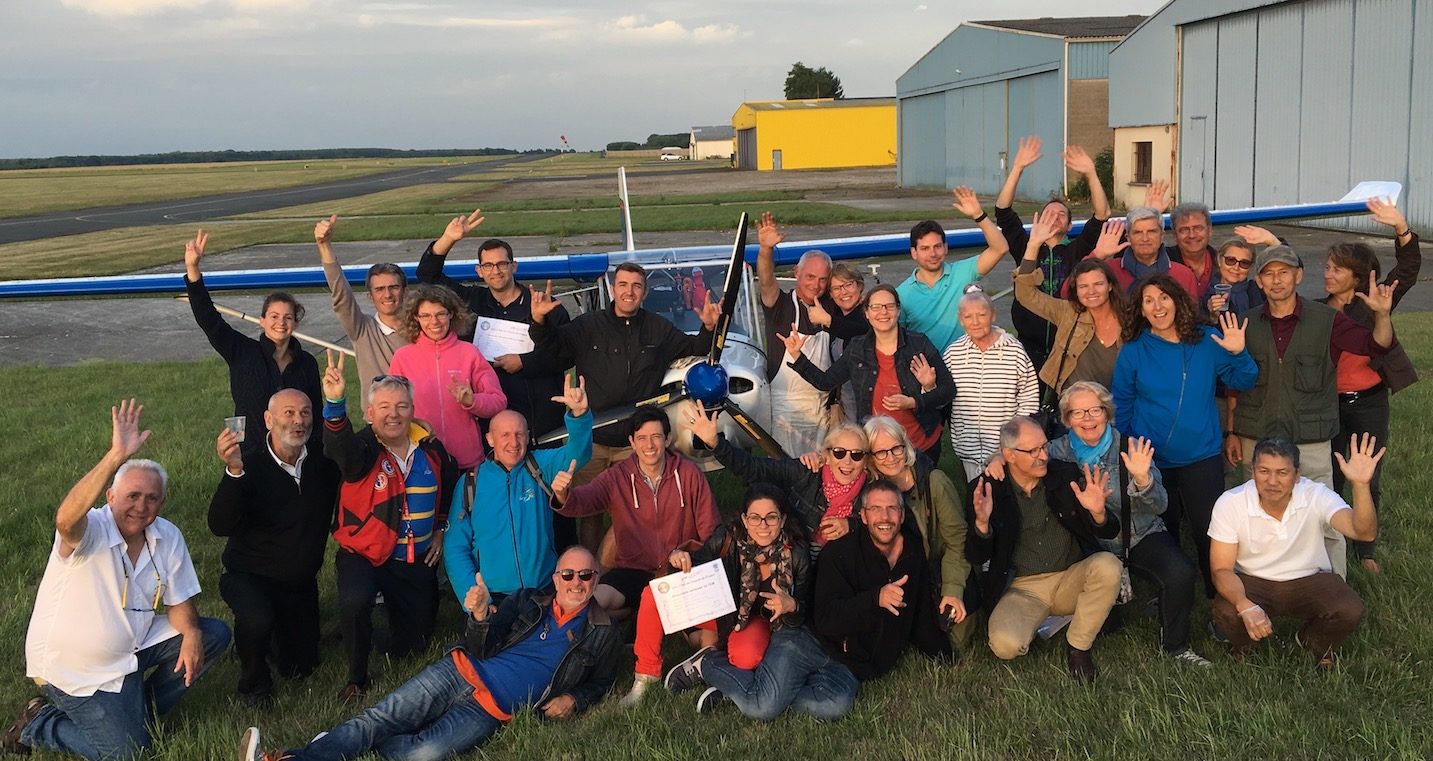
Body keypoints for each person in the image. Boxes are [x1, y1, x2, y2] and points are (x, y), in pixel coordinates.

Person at [239, 546, 621, 761]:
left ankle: (338, 745)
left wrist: (574, 696)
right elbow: (480, 645)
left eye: (585, 576)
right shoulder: (526, 601)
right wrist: (478, 616)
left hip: (492, 708)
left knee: (420, 755)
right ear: (555, 579)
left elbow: (602, 682)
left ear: (595, 580)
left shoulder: (603, 633)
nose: (576, 583)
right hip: (458, 671)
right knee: (378, 718)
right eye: (568, 575)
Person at [7, 401, 230, 761]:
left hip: (131, 645)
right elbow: (65, 520)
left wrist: (190, 635)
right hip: (76, 669)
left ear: (162, 502)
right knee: (130, 755)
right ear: (110, 497)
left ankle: (136, 715)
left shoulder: (166, 536)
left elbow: (180, 602)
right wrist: (115, 456)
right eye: (131, 496)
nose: (141, 506)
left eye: (151, 498)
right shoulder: (92, 529)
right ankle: (39, 721)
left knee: (212, 635)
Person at [986, 382, 1209, 666]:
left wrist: (1143, 480)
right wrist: (996, 458)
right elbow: (1021, 454)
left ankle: (1176, 646)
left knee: (1180, 572)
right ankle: (1069, 615)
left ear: (1108, 413)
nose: (1088, 419)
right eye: (1078, 413)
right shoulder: (1054, 451)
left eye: (1095, 410)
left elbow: (1161, 506)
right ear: (1066, 419)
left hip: (1136, 535)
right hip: (1091, 544)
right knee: (1109, 625)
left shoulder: (1131, 449)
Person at [1225, 245, 1396, 577]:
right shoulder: (1244, 323)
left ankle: (1335, 586)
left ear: (1299, 276)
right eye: (1269, 274)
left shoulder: (1328, 320)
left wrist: (1383, 314)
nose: (1276, 281)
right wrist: (1232, 430)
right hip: (1256, 434)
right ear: (1258, 281)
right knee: (1254, 511)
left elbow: (1377, 345)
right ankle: (1260, 582)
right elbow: (1234, 382)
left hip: (1311, 438)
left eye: (1284, 272)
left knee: (1325, 514)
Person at [651, 484, 859, 718]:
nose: (762, 525)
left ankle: (730, 688)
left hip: (782, 627)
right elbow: (696, 564)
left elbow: (804, 611)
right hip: (738, 617)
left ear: (782, 520)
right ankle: (709, 662)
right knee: (746, 656)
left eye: (771, 518)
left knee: (771, 664)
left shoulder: (796, 552)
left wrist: (792, 605)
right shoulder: (728, 538)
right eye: (755, 518)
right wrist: (677, 557)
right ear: (744, 519)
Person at [320, 355, 460, 703]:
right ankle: (357, 677)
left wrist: (441, 529)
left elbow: (450, 483)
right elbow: (341, 451)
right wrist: (335, 404)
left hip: (411, 558)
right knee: (356, 598)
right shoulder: (364, 448)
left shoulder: (431, 449)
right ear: (369, 414)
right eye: (383, 407)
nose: (393, 413)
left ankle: (358, 629)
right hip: (363, 553)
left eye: (401, 406)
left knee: (413, 647)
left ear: (412, 409)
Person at [1113, 275, 1256, 598]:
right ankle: (1170, 593)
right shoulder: (1134, 350)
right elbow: (1121, 402)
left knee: (1210, 530)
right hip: (1151, 460)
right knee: (1164, 530)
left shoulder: (1206, 340)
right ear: (1141, 310)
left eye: (1164, 297)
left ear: (1178, 300)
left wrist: (1238, 353)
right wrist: (1127, 448)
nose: (1157, 306)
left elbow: (1245, 380)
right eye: (1148, 300)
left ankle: (1217, 593)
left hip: (1200, 456)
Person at [209, 389, 341, 707]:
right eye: (289, 413)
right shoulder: (249, 465)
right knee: (257, 620)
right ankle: (253, 684)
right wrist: (234, 472)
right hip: (249, 575)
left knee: (301, 667)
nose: (298, 421)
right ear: (269, 420)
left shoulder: (323, 462)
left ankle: (262, 640)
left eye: (306, 413)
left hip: (298, 582)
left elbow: (357, 454)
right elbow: (219, 525)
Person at [529, 262, 717, 483]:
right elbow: (554, 343)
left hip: (635, 442)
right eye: (623, 285)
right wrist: (539, 321)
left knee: (634, 511)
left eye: (637, 286)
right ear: (612, 289)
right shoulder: (588, 325)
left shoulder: (659, 328)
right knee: (588, 510)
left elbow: (694, 349)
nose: (629, 292)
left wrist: (709, 328)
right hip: (592, 440)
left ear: (645, 292)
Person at [967, 416, 1122, 681]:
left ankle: (1078, 647)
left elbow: (1108, 531)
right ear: (1009, 456)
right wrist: (982, 525)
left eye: (1044, 446)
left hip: (1070, 577)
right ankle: (1046, 622)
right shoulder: (987, 490)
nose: (1043, 456)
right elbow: (976, 555)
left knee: (1109, 565)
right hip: (1023, 589)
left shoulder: (1064, 475)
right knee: (1005, 645)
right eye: (1033, 450)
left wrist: (1098, 514)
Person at [1208, 436, 1383, 667]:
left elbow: (1364, 533)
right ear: (1252, 472)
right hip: (1253, 580)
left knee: (1350, 609)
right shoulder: (1230, 503)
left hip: (1309, 578)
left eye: (1282, 472)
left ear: (1297, 475)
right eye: (1263, 471)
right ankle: (1247, 646)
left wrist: (1360, 486)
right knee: (1226, 610)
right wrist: (1244, 604)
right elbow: (1220, 569)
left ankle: (1310, 642)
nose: (1272, 481)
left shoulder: (1315, 495)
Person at [1317, 198, 1420, 574]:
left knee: (1366, 472)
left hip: (1369, 404)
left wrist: (1401, 228)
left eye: (1335, 269)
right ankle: (1330, 537)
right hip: (1328, 404)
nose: (1327, 274)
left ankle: (1366, 547)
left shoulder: (1375, 302)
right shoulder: (1315, 308)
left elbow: (1408, 269)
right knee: (1329, 474)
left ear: (1357, 276)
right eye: (1326, 267)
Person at [415, 209, 574, 443]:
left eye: (501, 264)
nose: (495, 271)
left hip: (541, 419)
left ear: (514, 266)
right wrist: (447, 239)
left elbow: (567, 354)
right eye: (488, 266)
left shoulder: (543, 305)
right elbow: (427, 276)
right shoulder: (470, 301)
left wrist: (524, 362)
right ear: (479, 271)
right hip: (486, 420)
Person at [552, 406, 720, 617]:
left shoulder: (688, 474)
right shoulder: (617, 477)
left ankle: (637, 614)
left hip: (679, 570)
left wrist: (694, 557)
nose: (648, 445)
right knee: (593, 604)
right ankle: (627, 615)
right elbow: (584, 500)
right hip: (633, 570)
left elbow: (711, 529)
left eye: (656, 437)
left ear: (667, 439)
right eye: (641, 438)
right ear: (632, 442)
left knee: (702, 639)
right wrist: (562, 494)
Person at [445, 374, 594, 605]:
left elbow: (577, 455)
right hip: (494, 596)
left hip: (543, 591)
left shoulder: (539, 465)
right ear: (490, 439)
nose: (513, 443)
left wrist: (579, 416)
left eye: (519, 435)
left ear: (527, 436)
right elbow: (455, 548)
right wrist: (473, 597)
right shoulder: (470, 483)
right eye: (504, 435)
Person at [782, 284, 955, 465]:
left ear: (898, 310)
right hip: (877, 448)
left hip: (920, 444)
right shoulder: (857, 348)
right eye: (876, 307)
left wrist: (913, 401)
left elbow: (948, 390)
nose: (883, 312)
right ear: (867, 313)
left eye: (889, 306)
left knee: (923, 491)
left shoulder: (919, 344)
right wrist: (797, 356)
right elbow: (825, 382)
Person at [183, 228, 321, 453]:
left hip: (296, 456)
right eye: (274, 317)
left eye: (288, 317)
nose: (281, 323)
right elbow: (209, 320)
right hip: (250, 454)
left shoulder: (307, 363)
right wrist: (193, 270)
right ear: (262, 321)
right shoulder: (242, 352)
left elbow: (315, 417)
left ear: (295, 323)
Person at [813, 480, 954, 681]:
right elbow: (826, 620)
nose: (885, 518)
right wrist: (875, 599)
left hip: (875, 663)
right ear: (863, 515)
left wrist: (945, 657)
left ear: (902, 515)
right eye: (875, 509)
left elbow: (920, 612)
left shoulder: (913, 551)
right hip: (835, 655)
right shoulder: (838, 554)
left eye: (892, 509)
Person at [992, 136, 1110, 374]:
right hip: (1029, 344)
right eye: (1049, 213)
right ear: (1038, 219)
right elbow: (1002, 210)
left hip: (1070, 342)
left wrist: (1091, 174)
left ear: (1069, 226)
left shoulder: (1078, 248)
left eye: (1061, 215)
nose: (1055, 217)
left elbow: (1102, 213)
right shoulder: (1026, 244)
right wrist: (1018, 168)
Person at [691, 406, 867, 552]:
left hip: (837, 572)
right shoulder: (806, 472)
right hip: (796, 563)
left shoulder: (870, 491)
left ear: (866, 460)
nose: (847, 462)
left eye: (857, 455)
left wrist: (850, 524)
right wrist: (715, 443)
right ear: (827, 454)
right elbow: (755, 468)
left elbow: (884, 524)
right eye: (839, 452)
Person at [862, 415, 972, 649]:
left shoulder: (935, 482)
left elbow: (957, 541)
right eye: (881, 452)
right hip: (899, 578)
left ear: (906, 445)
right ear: (870, 457)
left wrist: (952, 589)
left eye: (896, 448)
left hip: (938, 570)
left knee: (952, 641)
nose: (891, 458)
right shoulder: (870, 493)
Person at [387, 283, 508, 471]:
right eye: (426, 316)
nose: (434, 322)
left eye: (440, 314)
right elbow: (391, 408)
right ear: (416, 318)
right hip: (420, 460)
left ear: (451, 314)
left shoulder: (470, 353)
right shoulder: (402, 358)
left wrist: (473, 401)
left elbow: (498, 401)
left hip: (466, 460)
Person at [1014, 211, 1129, 393]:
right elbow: (1026, 294)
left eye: (1098, 284)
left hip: (1118, 407)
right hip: (1071, 410)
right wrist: (1033, 245)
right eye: (1083, 286)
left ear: (1110, 286)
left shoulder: (1130, 318)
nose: (1091, 291)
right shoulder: (1068, 312)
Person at [755, 211, 837, 456]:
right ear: (795, 273)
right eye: (810, 276)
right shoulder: (779, 305)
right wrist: (766, 250)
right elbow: (766, 279)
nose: (816, 285)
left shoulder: (832, 307)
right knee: (786, 475)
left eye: (823, 279)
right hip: (785, 410)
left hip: (823, 409)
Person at [897, 187, 1010, 351]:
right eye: (925, 248)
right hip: (928, 373)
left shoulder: (964, 272)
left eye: (937, 246)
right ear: (914, 253)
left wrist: (979, 215)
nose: (933, 253)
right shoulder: (902, 294)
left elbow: (1000, 248)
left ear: (946, 247)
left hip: (966, 369)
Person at [942, 289, 1039, 480]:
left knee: (1006, 504)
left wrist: (1013, 444)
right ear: (961, 319)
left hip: (1006, 452)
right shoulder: (953, 354)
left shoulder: (1014, 351)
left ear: (993, 315)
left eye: (982, 315)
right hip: (967, 451)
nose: (975, 322)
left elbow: (1029, 399)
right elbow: (943, 396)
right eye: (968, 316)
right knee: (976, 503)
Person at [313, 214, 409, 405]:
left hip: (420, 421)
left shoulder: (423, 328)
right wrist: (324, 246)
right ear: (370, 297)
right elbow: (341, 293)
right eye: (379, 289)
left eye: (394, 287)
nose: (387, 295)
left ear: (405, 292)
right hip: (378, 425)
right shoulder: (362, 329)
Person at [1087, 204, 1199, 296]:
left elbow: (1191, 318)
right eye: (1138, 232)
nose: (1145, 238)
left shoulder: (1184, 275)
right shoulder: (1109, 271)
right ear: (1128, 237)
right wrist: (1096, 255)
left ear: (1162, 235)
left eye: (1151, 231)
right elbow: (1071, 293)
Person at [805, 262, 868, 424]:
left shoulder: (868, 313)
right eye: (837, 288)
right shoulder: (838, 317)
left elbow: (860, 331)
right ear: (831, 294)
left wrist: (827, 320)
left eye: (849, 285)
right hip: (846, 401)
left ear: (860, 286)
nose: (844, 292)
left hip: (867, 402)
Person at [1202, 237, 1265, 318]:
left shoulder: (1258, 290)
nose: (1236, 268)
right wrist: (1212, 315)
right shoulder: (1205, 292)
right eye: (1231, 260)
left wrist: (1272, 241)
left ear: (1250, 267)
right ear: (1219, 260)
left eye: (1244, 263)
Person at [1167, 202, 1217, 297]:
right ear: (1174, 235)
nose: (1192, 235)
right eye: (1184, 230)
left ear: (1209, 231)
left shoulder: (1224, 263)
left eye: (1198, 228)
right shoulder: (1163, 263)